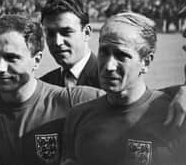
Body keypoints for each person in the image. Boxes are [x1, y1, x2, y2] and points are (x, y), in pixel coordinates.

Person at [0, 15, 102, 165]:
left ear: (36, 60)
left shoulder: (74, 102)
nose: (0, 68)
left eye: (11, 58)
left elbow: (123, 106)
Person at [62, 12, 185, 165]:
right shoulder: (78, 116)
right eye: (104, 52)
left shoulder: (174, 115)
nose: (108, 66)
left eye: (121, 56)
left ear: (146, 62)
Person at [40, 0, 99, 88]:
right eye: (50, 34)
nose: (57, 42)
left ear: (86, 33)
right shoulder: (44, 85)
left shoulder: (109, 83)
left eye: (66, 32)